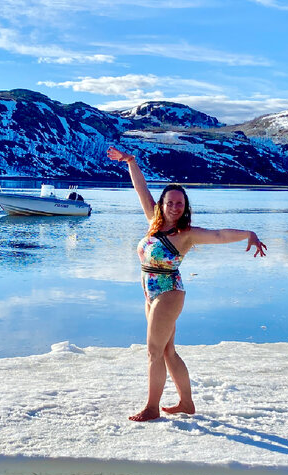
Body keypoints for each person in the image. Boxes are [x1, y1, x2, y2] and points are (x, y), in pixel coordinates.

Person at [107, 147, 267, 422]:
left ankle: (151, 407)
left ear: (185, 207)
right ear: (163, 204)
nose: (174, 207)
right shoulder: (153, 223)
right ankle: (186, 403)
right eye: (170, 203)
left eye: (180, 204)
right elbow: (141, 190)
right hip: (150, 292)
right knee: (167, 351)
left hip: (169, 292)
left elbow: (218, 234)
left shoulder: (187, 235)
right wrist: (131, 162)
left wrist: (248, 234)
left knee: (154, 351)